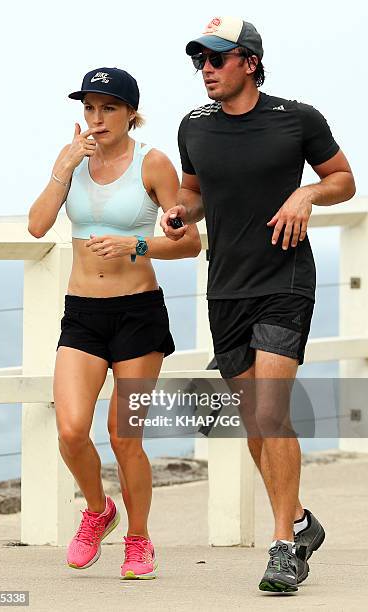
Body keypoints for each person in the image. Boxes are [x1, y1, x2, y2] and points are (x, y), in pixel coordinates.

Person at [161, 17, 356, 593]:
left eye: (217, 59)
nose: (206, 70)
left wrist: (306, 192)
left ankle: (281, 549)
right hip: (225, 287)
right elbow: (195, 193)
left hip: (284, 280)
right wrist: (180, 212)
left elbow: (343, 179)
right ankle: (299, 522)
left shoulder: (297, 118)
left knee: (271, 412)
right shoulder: (192, 126)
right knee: (254, 425)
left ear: (249, 61)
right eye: (200, 60)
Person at [28, 66, 201, 580]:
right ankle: (98, 509)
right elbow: (37, 226)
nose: (96, 118)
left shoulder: (154, 164)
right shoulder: (74, 161)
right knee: (70, 429)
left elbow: (188, 240)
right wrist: (63, 166)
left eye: (107, 108)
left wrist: (137, 243)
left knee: (125, 436)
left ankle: (139, 539)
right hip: (82, 314)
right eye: (88, 108)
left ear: (130, 113)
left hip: (137, 312)